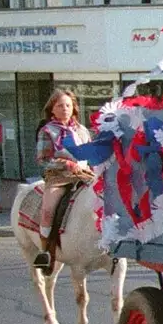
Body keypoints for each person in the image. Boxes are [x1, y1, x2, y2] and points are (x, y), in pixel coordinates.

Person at [32, 89, 95, 272]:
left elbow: (90, 154)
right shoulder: (47, 131)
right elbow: (43, 160)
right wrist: (66, 164)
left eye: (68, 105)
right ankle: (45, 251)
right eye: (60, 105)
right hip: (59, 177)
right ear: (52, 109)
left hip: (84, 174)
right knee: (48, 209)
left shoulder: (82, 130)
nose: (65, 109)